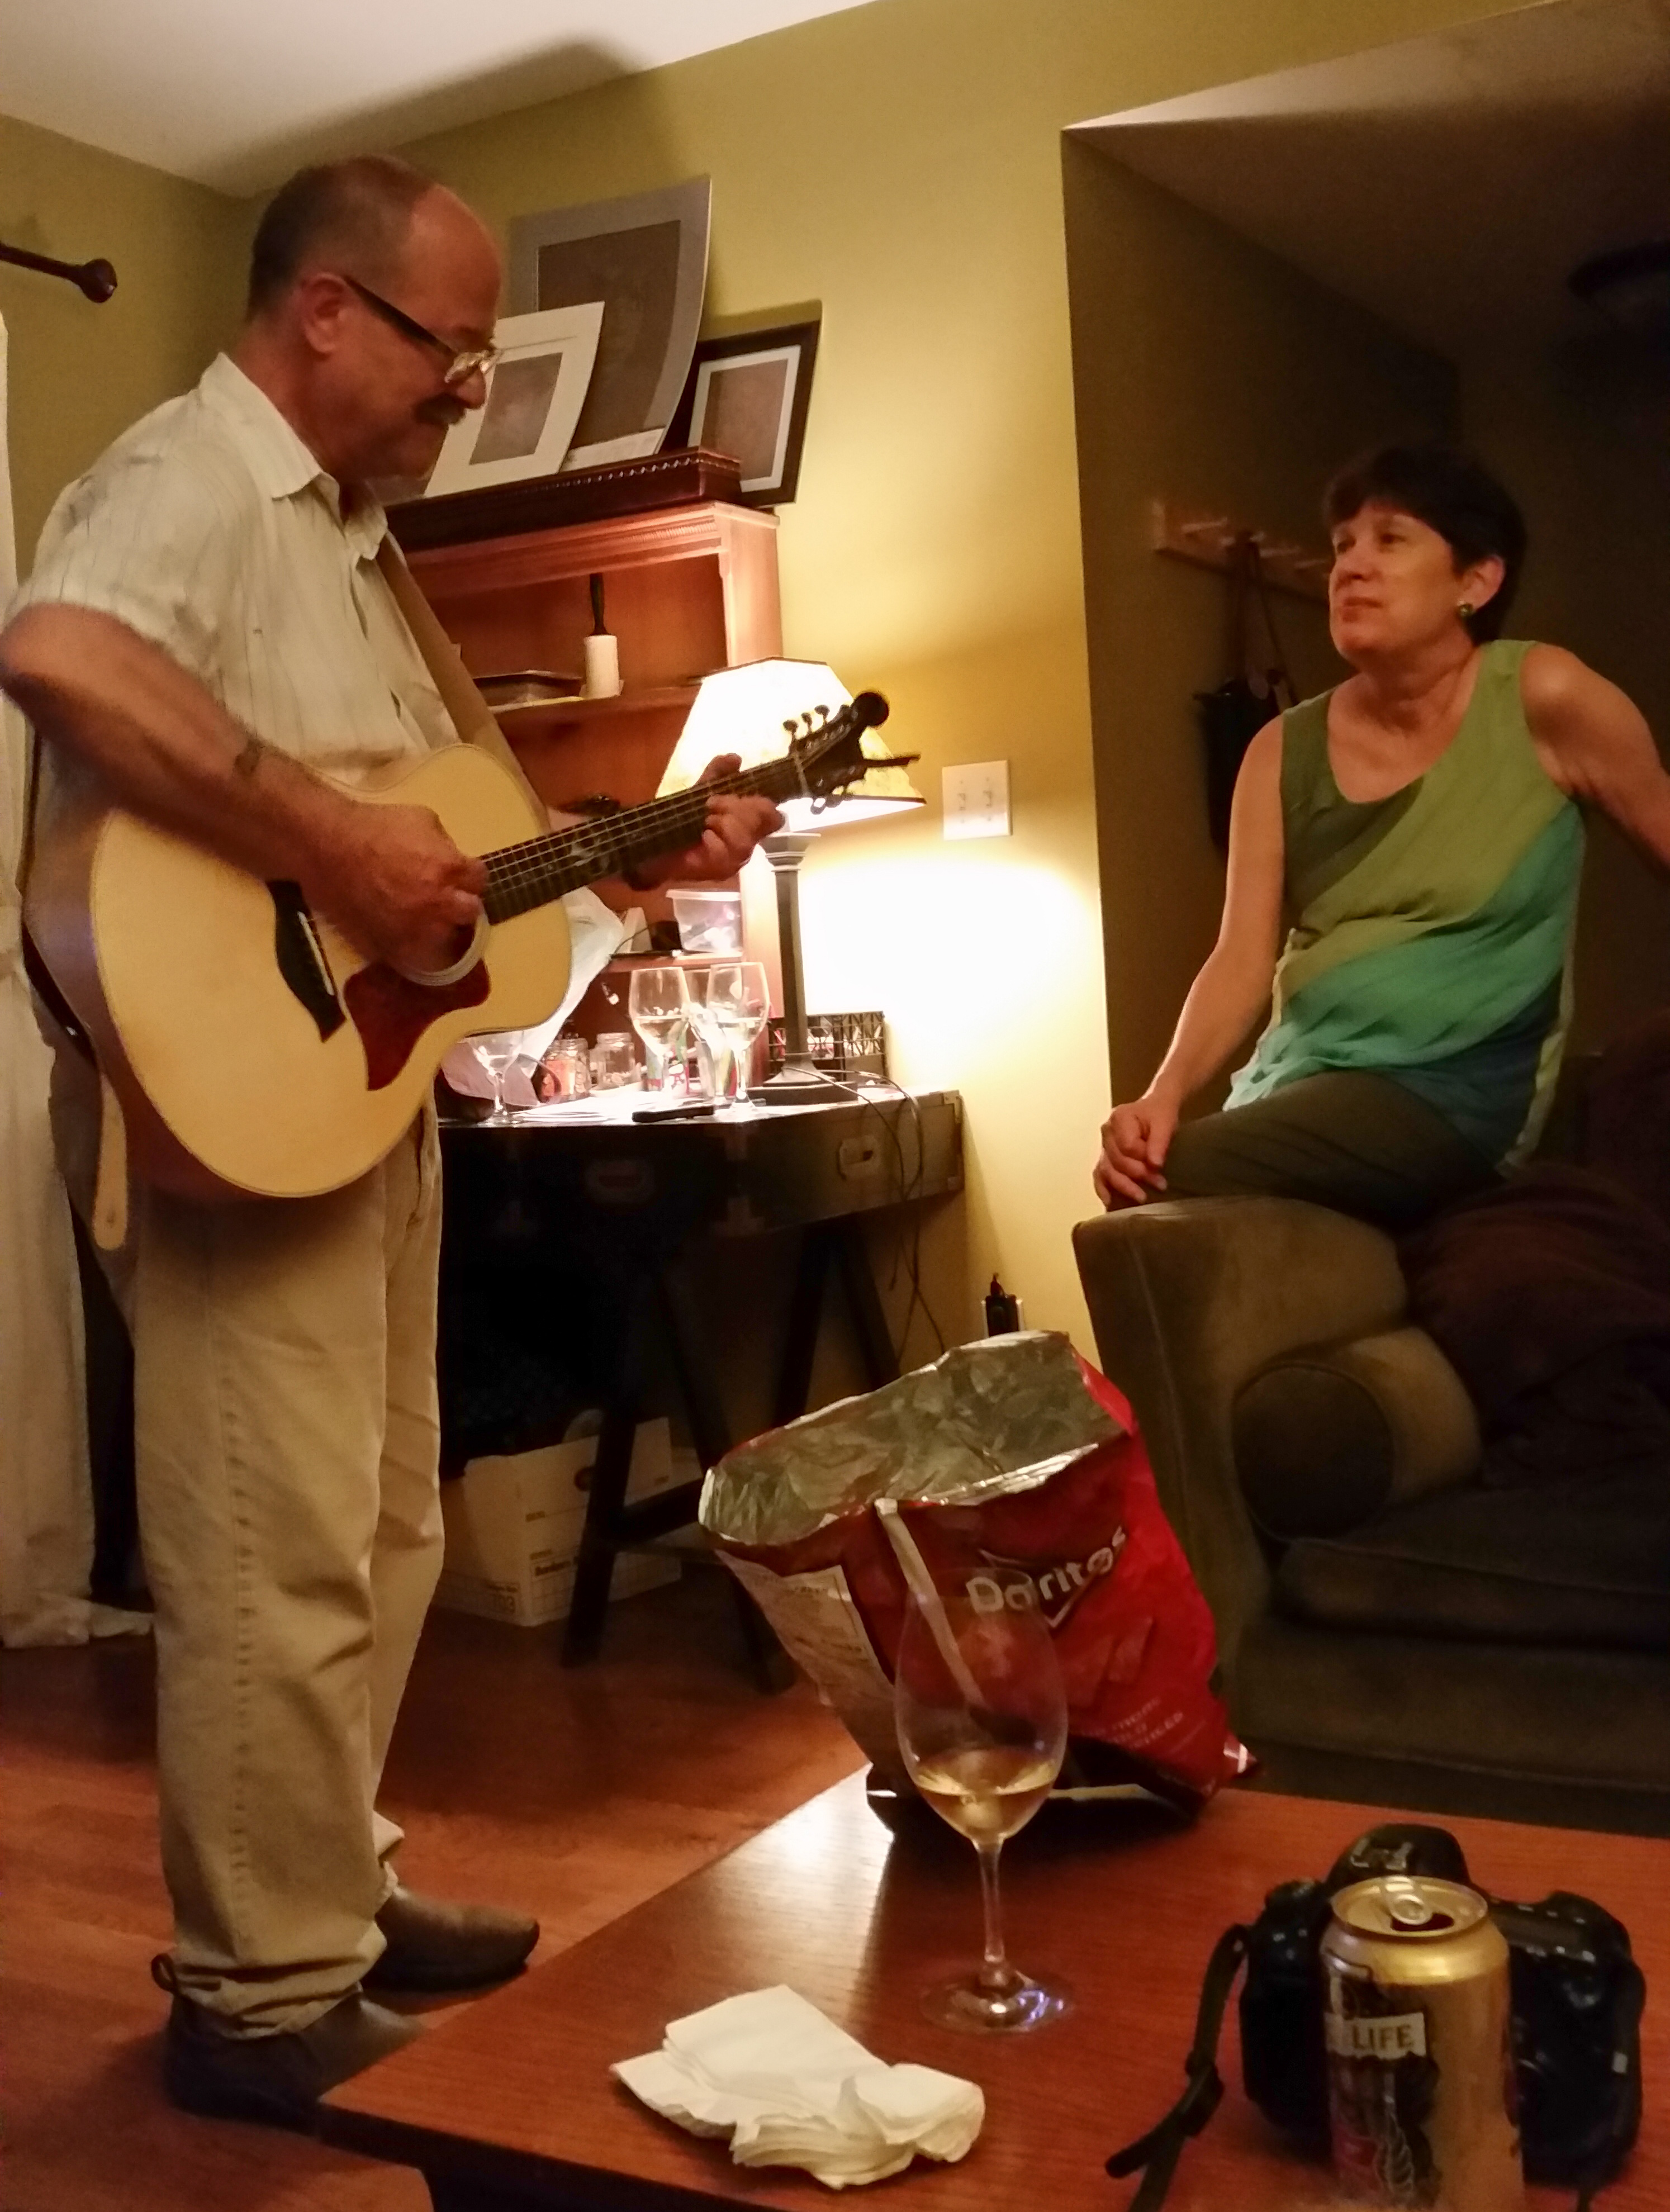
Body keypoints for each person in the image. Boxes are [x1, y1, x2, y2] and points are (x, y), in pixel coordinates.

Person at [0, 156, 781, 2128]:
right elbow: (61, 653)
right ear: (327, 309)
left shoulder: (356, 544)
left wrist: (633, 859)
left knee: (377, 1526)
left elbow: (448, 883)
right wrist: (339, 842)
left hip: (347, 1099)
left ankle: (328, 1889)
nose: (470, 390)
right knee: (267, 1547)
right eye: (454, 349)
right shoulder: (192, 476)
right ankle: (258, 1989)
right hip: (217, 1109)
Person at [1094, 442, 1670, 1232]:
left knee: (1178, 1175)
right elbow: (1240, 958)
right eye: (1342, 546)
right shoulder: (1279, 750)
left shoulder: (1544, 696)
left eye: (1391, 539)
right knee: (1141, 1167)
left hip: (1453, 1092)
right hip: (1302, 1080)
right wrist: (1161, 1095)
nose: (1351, 567)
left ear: (1476, 581)